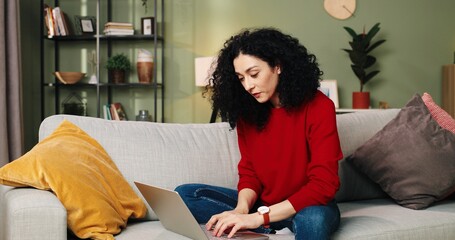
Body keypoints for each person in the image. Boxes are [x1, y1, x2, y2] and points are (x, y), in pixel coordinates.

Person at [175, 27, 343, 240]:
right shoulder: (248, 112)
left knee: (313, 221)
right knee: (186, 194)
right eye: (241, 78)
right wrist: (242, 210)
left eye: (254, 74)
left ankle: (266, 225)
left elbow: (324, 184)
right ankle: (271, 227)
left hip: (309, 206)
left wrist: (257, 219)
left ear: (278, 66)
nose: (248, 85)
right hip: (264, 205)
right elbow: (249, 173)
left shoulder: (319, 107)